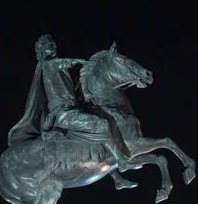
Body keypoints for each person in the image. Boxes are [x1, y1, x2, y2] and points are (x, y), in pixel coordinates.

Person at [7, 35, 136, 189]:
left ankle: (117, 178)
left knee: (99, 119)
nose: (52, 46)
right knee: (101, 125)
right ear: (41, 50)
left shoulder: (50, 66)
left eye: (53, 44)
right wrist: (80, 61)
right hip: (63, 113)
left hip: (71, 109)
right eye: (48, 44)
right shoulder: (47, 64)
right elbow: (62, 63)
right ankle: (121, 161)